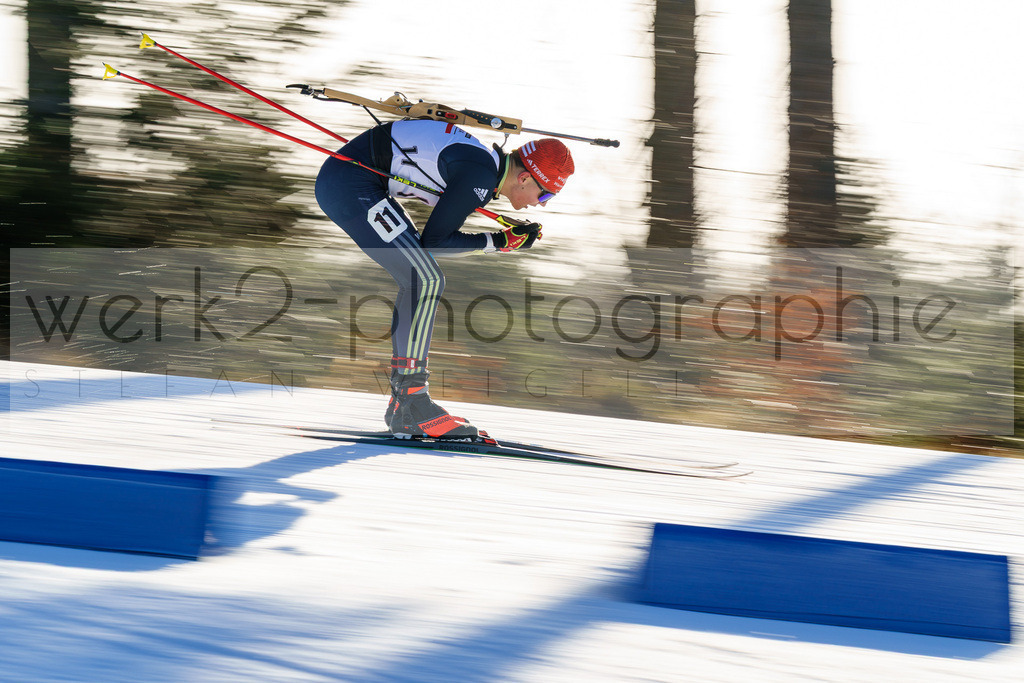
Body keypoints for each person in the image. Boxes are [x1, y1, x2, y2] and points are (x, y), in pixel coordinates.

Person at [314, 118, 574, 439]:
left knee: (423, 277)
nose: (539, 204)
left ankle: (405, 404)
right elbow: (435, 242)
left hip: (354, 182)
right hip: (350, 185)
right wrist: (498, 242)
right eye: (545, 196)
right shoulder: (480, 175)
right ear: (524, 178)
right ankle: (412, 402)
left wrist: (501, 240)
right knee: (424, 280)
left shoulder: (482, 169)